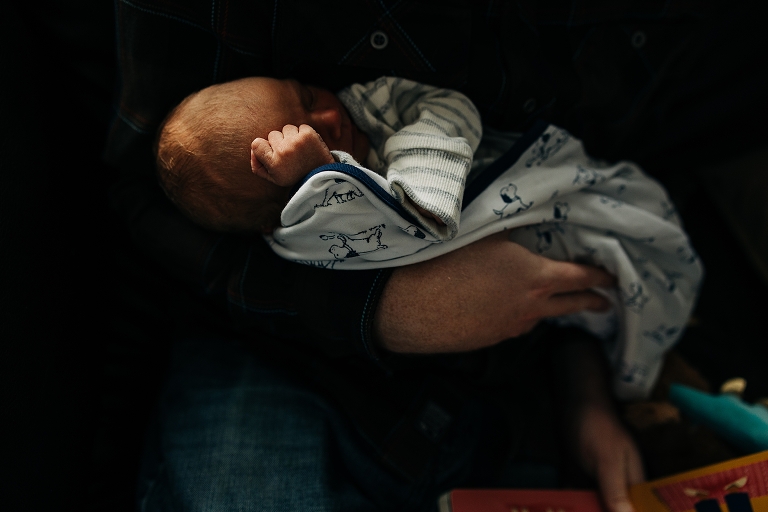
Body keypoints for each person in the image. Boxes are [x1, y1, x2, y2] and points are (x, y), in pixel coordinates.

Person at [105, 1, 768, 511]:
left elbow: (585, 197)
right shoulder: (286, 195)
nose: (329, 119)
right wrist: (382, 296)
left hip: (516, 374)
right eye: (303, 114)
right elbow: (154, 191)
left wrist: (585, 391)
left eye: (307, 97)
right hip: (283, 354)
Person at [156, 74, 702, 400]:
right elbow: (405, 223)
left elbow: (448, 109)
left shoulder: (368, 104)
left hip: (541, 201)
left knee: (628, 236)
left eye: (303, 92)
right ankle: (648, 384)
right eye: (307, 133)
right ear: (281, 207)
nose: (326, 113)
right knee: (622, 304)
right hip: (512, 265)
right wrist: (323, 173)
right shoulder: (300, 233)